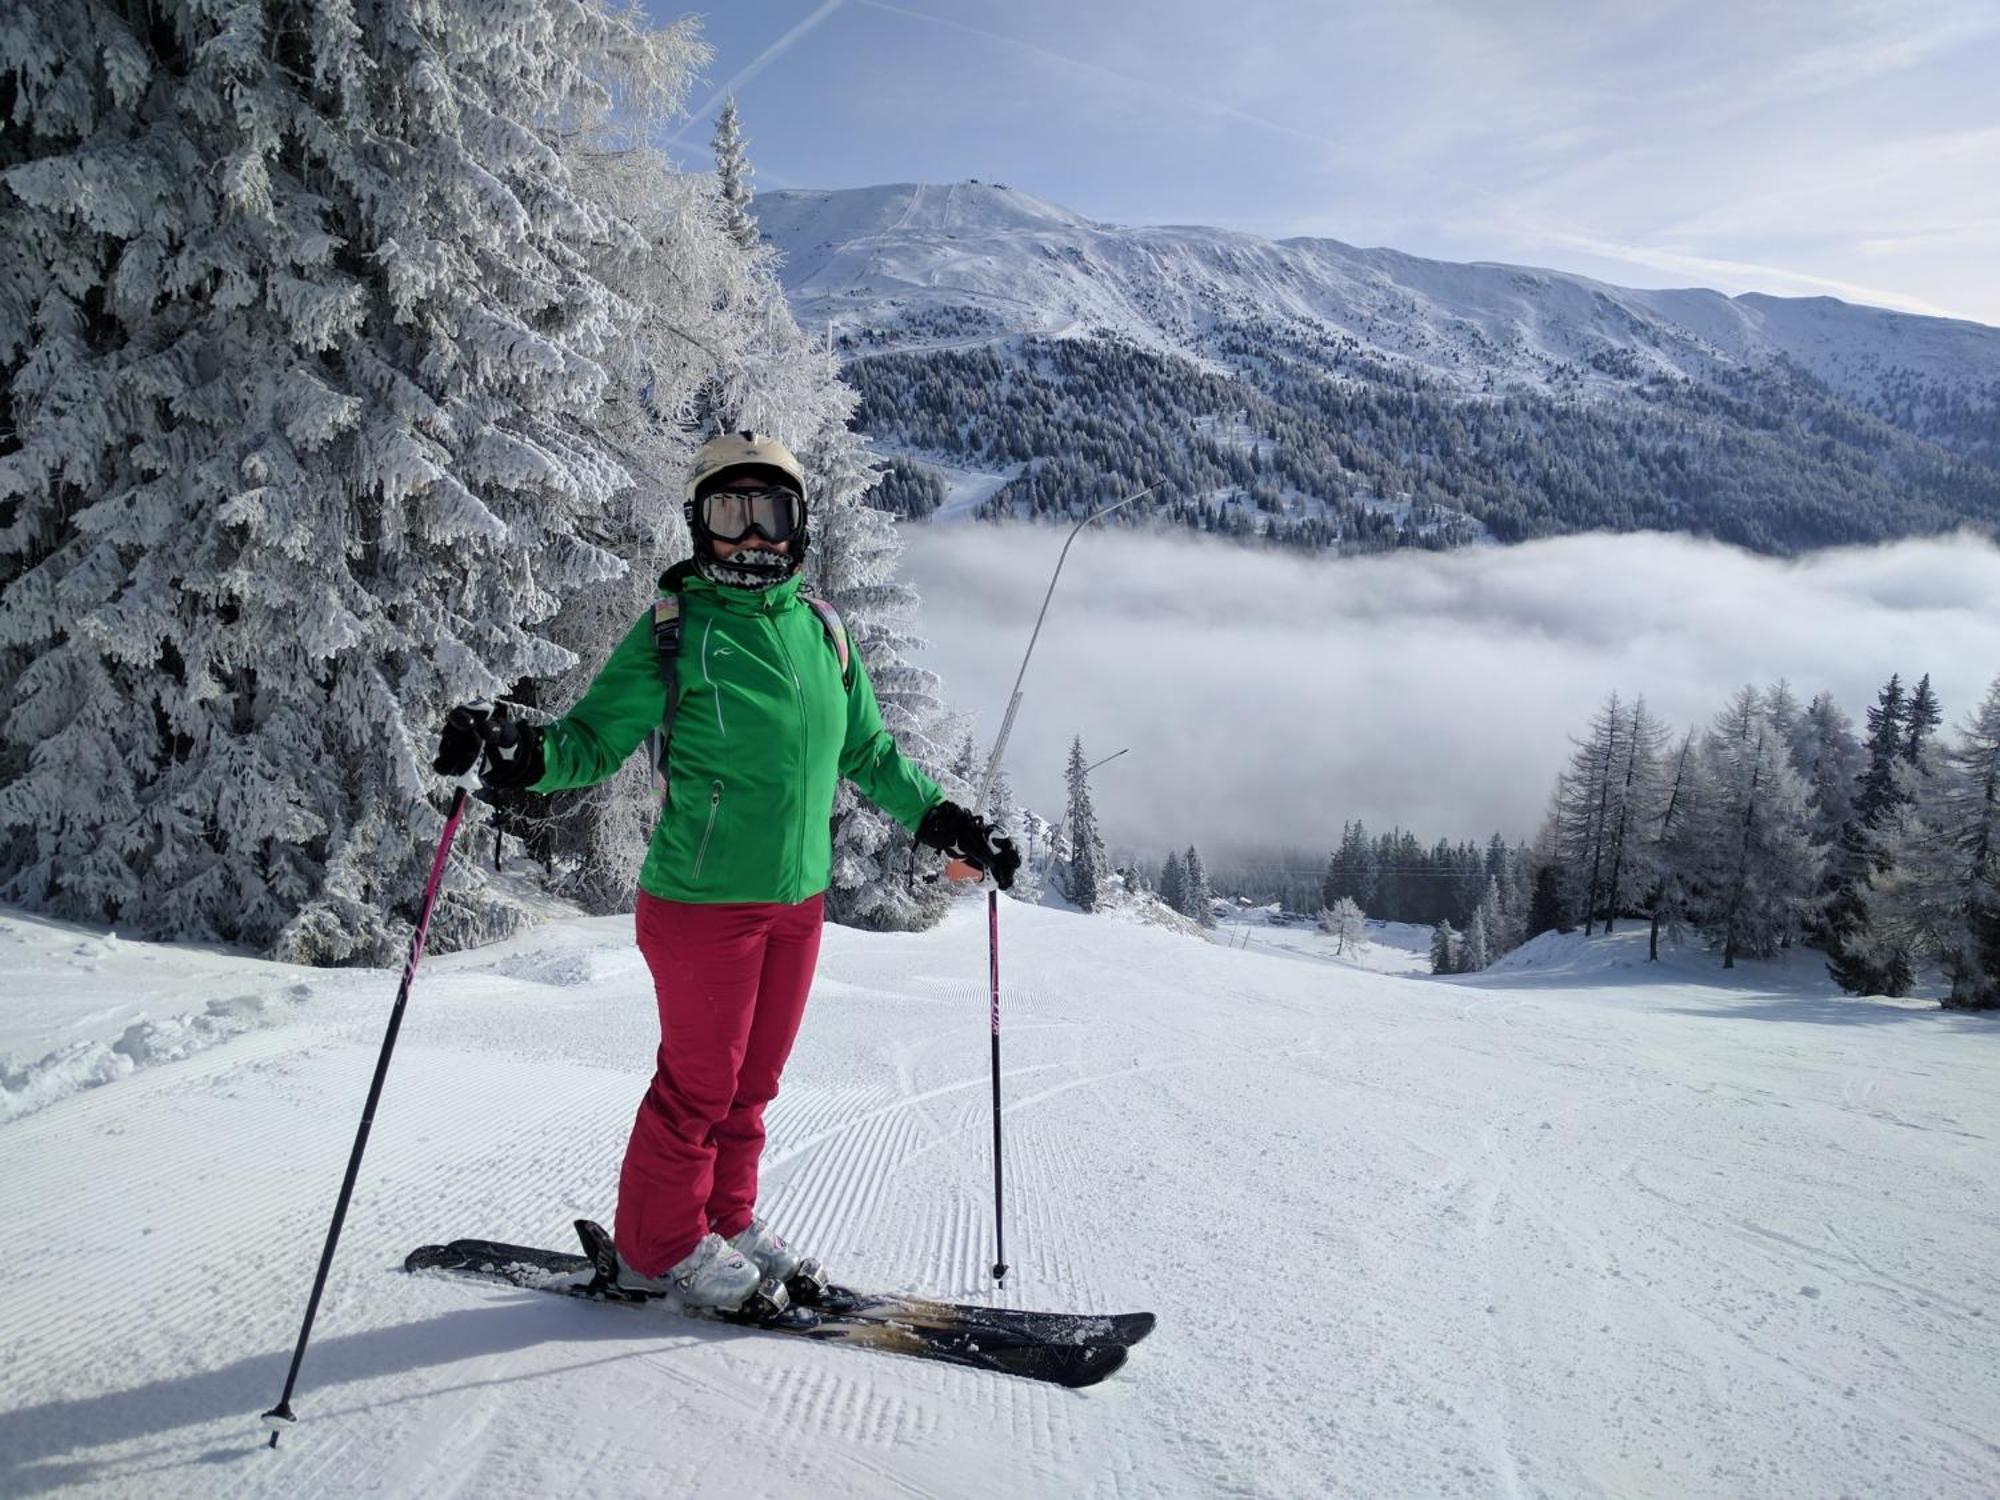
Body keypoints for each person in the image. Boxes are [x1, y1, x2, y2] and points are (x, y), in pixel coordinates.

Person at [434, 432, 1019, 1309]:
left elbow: (868, 751)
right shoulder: (676, 633)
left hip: (797, 900)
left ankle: (725, 1217)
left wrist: (944, 819)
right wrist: (522, 754)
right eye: (729, 513)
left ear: (798, 524)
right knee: (698, 1089)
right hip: (701, 903)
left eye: (768, 514)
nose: (750, 536)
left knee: (751, 1088)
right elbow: (591, 742)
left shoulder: (823, 631)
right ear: (698, 524)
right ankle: (657, 1249)